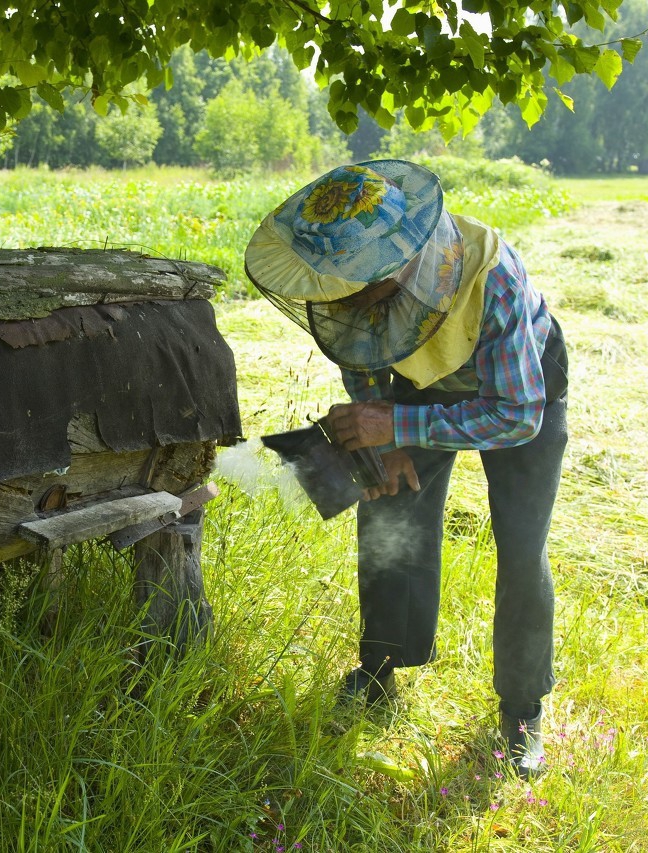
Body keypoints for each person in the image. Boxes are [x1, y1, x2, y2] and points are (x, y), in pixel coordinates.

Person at [243, 160, 569, 779]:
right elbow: (363, 359)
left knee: (522, 548)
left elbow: (516, 418)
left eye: (354, 284)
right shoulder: (355, 288)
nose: (342, 296)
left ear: (395, 266)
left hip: (519, 397)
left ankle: (523, 709)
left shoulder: (489, 280)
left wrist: (398, 428)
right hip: (422, 392)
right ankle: (384, 665)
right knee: (387, 507)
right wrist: (379, 436)